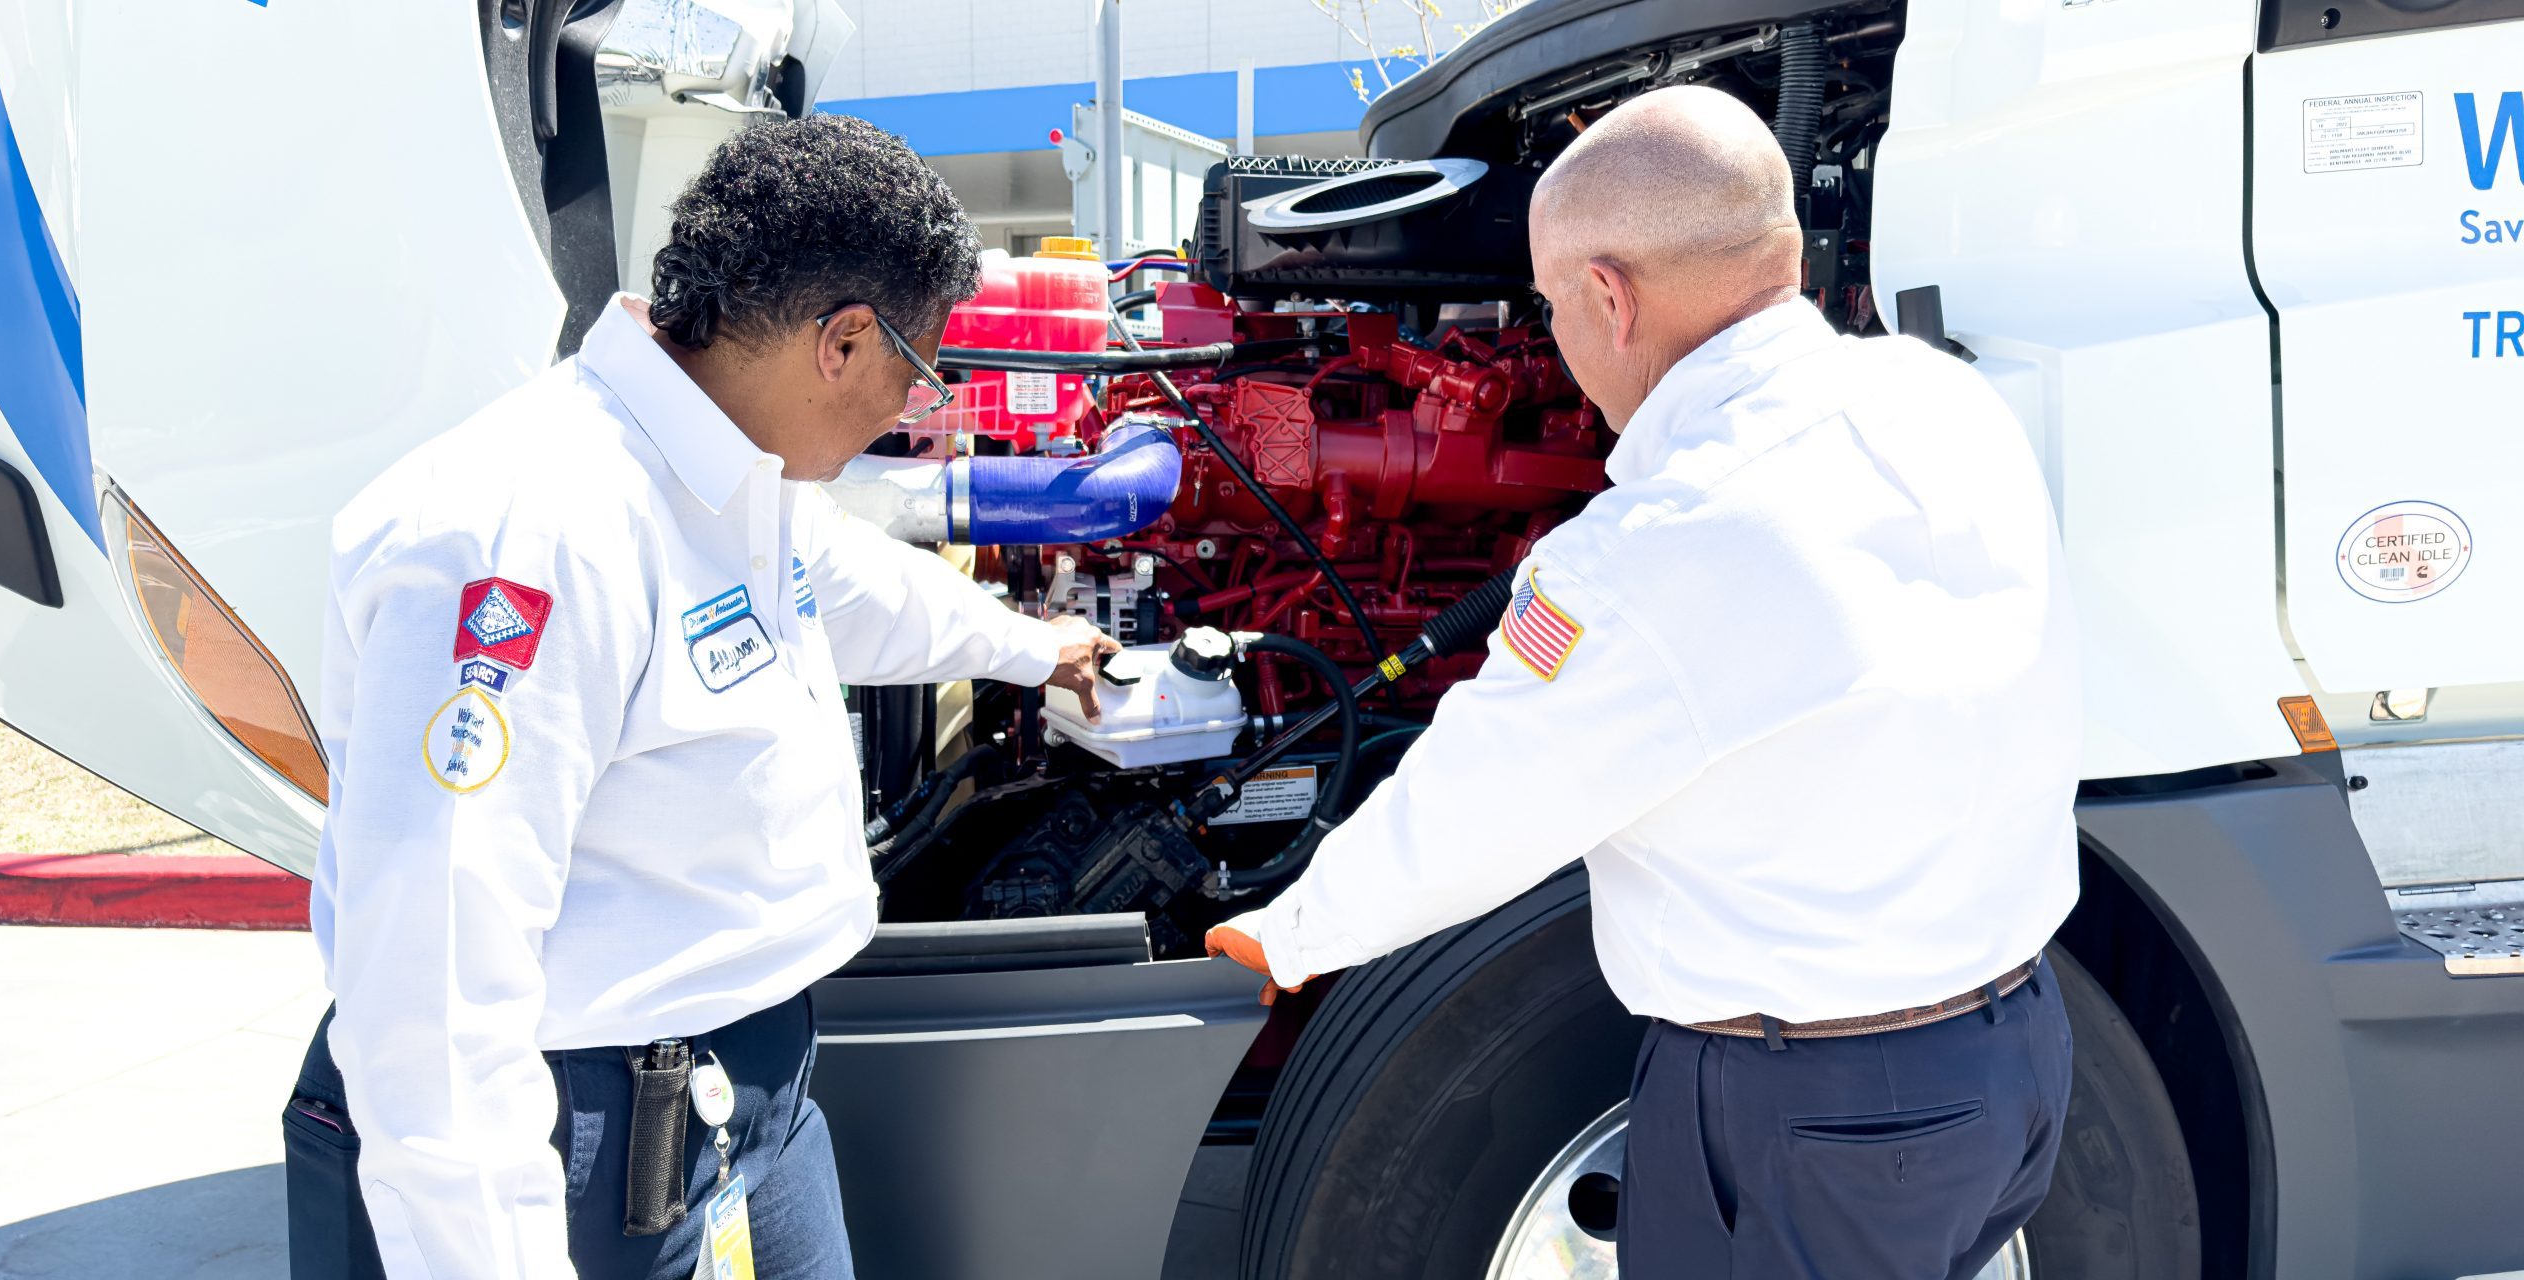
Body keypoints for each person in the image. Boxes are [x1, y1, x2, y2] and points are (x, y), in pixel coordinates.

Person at [1206, 85, 2081, 1279]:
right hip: (2016, 1056)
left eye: (1552, 303)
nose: (1556, 335)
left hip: (1812, 1119)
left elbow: (1472, 808)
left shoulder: (1658, 548)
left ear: (1610, 296)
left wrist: (1286, 933)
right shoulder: (1949, 401)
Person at [284, 116, 1117, 1279]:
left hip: (755, 1097)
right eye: (919, 370)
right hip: (589, 1128)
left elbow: (853, 589)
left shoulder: (727, 470)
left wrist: (1037, 647)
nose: (908, 408)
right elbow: (431, 979)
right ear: (842, 341)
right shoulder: (532, 529)